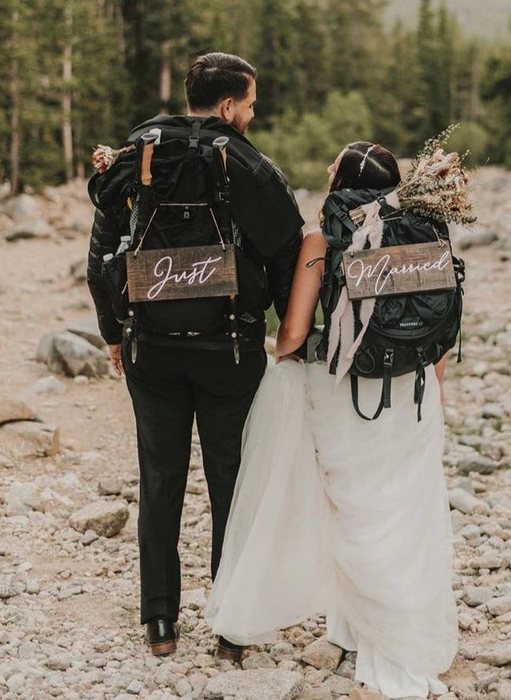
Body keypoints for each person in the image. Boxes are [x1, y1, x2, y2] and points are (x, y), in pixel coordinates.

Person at [206, 141, 458, 699]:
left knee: (348, 506)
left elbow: (294, 331)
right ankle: (388, 626)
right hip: (414, 393)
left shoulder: (324, 239)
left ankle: (293, 610)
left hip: (347, 392)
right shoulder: (428, 233)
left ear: (342, 180)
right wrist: (430, 388)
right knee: (401, 508)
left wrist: (286, 358)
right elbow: (443, 327)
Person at [87, 53, 303, 659]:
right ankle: (231, 628)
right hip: (230, 351)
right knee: (231, 482)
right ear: (230, 106)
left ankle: (160, 625)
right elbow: (289, 246)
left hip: (150, 349)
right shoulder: (246, 162)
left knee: (160, 481)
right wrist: (286, 334)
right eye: (251, 105)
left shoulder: (142, 153)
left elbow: (102, 250)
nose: (252, 115)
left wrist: (112, 332)